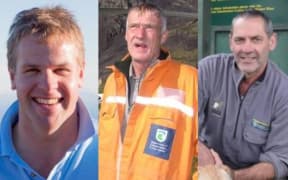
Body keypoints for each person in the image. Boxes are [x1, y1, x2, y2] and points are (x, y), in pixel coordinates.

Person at [99, 3, 198, 180]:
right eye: (134, 26)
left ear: (163, 36)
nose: (140, 34)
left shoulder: (190, 81)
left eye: (149, 27)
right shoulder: (113, 82)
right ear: (126, 34)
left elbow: (210, 156)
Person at [0, 6, 98, 179]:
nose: (47, 85)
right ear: (13, 77)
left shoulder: (115, 153)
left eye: (60, 70)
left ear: (80, 74)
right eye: (32, 70)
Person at [198, 9, 288, 179]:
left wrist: (229, 175)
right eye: (240, 40)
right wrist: (203, 154)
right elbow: (186, 120)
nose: (247, 49)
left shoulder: (283, 92)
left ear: (272, 41)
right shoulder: (208, 70)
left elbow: (279, 162)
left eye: (256, 39)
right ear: (231, 42)